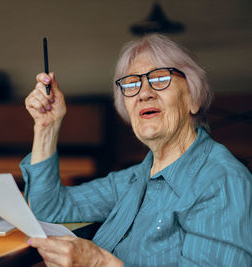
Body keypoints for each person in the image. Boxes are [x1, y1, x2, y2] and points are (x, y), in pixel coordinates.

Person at [20, 34, 252, 266]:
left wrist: (98, 263)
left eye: (160, 78)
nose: (144, 93)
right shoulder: (135, 179)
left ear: (194, 98)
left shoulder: (222, 183)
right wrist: (46, 128)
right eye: (131, 84)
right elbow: (49, 209)